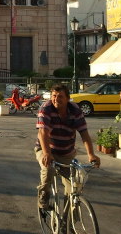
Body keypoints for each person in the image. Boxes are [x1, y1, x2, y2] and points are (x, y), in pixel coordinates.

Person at [35, 84, 100, 214]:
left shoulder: (75, 110)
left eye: (60, 97)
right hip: (47, 149)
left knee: (74, 188)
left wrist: (91, 155)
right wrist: (47, 153)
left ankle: (70, 221)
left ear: (68, 99)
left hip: (66, 153)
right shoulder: (46, 108)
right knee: (48, 170)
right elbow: (43, 132)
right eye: (54, 96)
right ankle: (43, 198)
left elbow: (84, 133)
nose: (56, 99)